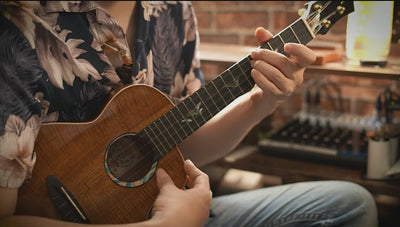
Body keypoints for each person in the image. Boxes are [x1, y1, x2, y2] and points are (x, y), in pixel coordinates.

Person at [0, 1, 378, 226]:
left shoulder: (172, 8)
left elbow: (185, 143)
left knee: (351, 205)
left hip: (170, 210)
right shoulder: (16, 26)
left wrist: (261, 102)